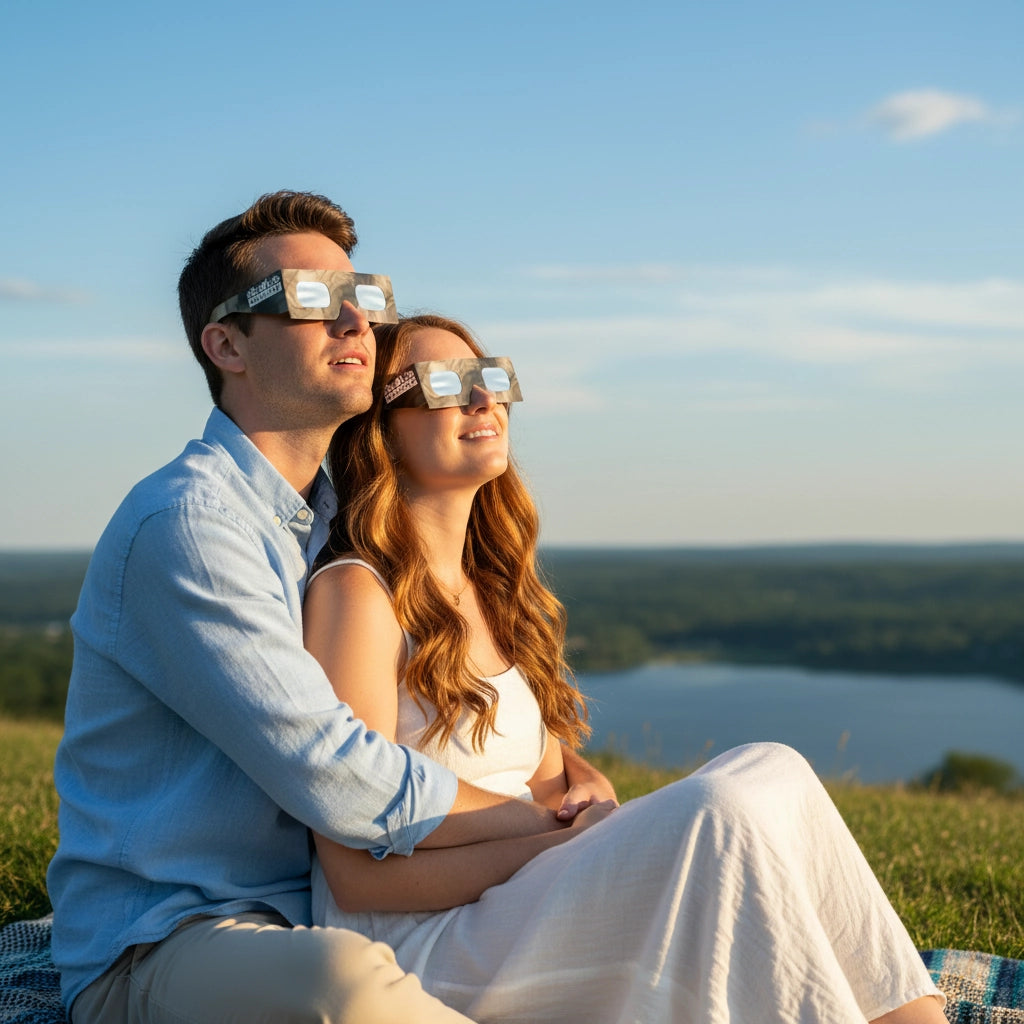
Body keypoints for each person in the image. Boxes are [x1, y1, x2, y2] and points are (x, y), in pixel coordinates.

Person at [47, 192, 611, 1024]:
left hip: (326, 911)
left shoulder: (332, 520)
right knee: (341, 987)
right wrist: (545, 828)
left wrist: (578, 791)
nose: (356, 321)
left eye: (365, 298)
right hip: (170, 939)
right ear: (226, 344)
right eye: (313, 300)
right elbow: (337, 771)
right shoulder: (191, 523)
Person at [304, 313, 948, 1024]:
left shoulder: (483, 586)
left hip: (526, 896)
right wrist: (555, 841)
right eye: (446, 384)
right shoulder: (357, 594)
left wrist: (581, 796)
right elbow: (356, 876)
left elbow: (549, 781)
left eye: (489, 377)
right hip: (427, 944)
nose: (483, 399)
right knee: (716, 814)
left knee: (775, 768)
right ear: (378, 428)